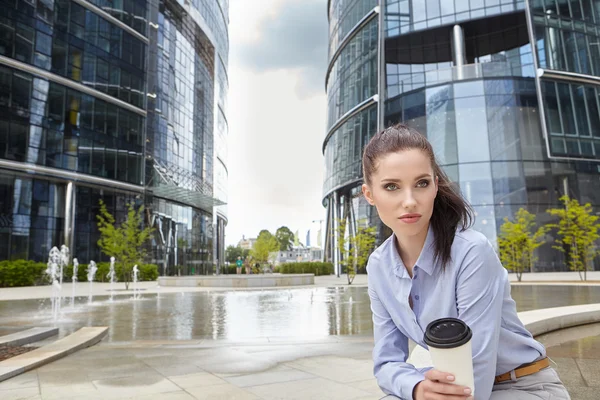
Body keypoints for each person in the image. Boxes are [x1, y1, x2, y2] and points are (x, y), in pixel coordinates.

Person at [362, 124, 569, 400]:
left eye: (421, 183)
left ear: (436, 185)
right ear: (370, 194)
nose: (409, 201)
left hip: (522, 386)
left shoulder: (471, 252)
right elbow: (387, 363)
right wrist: (417, 387)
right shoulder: (378, 267)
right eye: (392, 187)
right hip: (455, 385)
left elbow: (476, 373)